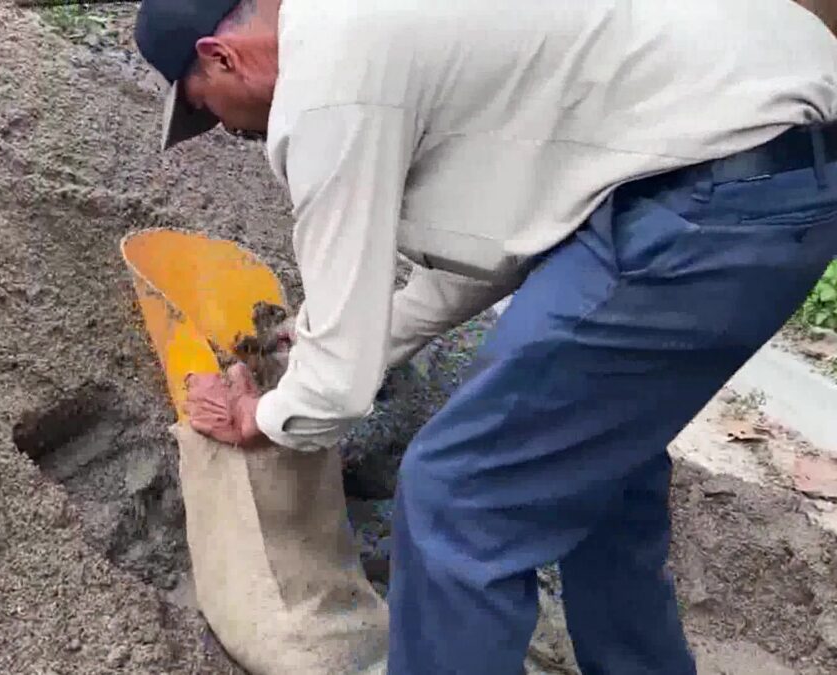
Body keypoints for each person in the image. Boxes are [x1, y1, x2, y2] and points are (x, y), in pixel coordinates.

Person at [134, 0, 837, 672]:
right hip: (777, 147)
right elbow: (489, 257)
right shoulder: (375, 29)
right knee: (591, 463)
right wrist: (298, 351)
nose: (228, 131)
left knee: (458, 496)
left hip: (712, 185)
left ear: (221, 56)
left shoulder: (325, 86)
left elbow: (338, 388)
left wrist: (260, 414)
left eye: (205, 110)